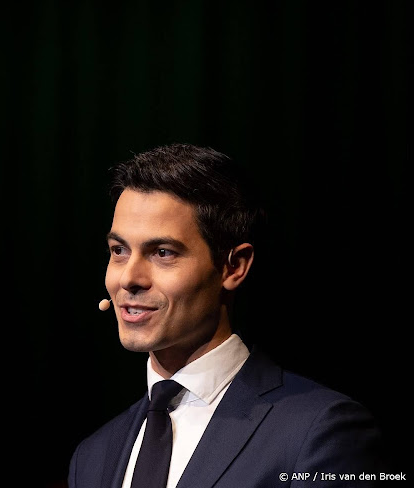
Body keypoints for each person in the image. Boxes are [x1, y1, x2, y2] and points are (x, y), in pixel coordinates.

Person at [68, 143, 384, 488]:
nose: (129, 278)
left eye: (163, 252)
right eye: (119, 250)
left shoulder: (320, 430)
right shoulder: (92, 457)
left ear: (234, 267)